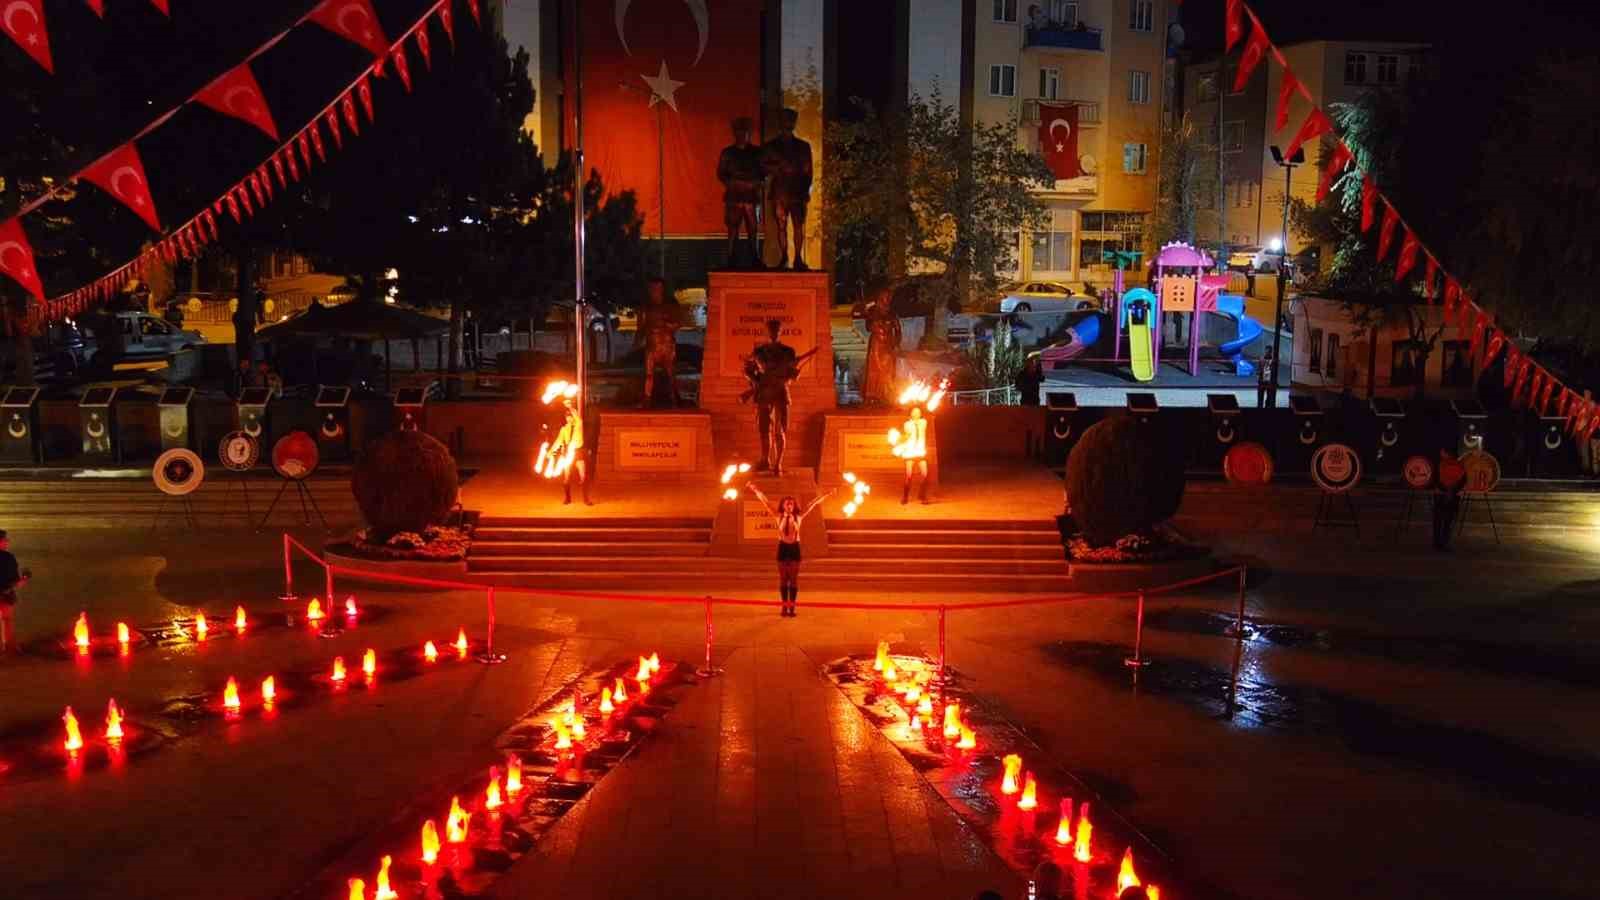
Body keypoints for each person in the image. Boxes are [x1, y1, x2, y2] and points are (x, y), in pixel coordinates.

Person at [745, 483, 835, 617]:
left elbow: (813, 503)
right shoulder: (778, 516)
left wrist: (826, 494)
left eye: (791, 504)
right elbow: (765, 501)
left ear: (794, 506)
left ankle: (791, 607)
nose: (789, 506)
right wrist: (755, 489)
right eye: (787, 504)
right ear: (783, 505)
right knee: (783, 579)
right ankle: (783, 607)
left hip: (794, 548)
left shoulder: (799, 516)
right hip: (783, 547)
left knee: (793, 579)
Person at [761, 108, 813, 270]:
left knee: (798, 225)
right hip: (780, 191)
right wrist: (776, 168)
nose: (788, 123)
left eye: (791, 120)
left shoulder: (803, 146)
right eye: (785, 120)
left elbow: (808, 172)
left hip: (797, 191)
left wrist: (805, 190)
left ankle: (797, 257)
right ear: (781, 123)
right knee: (781, 226)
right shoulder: (771, 146)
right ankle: (784, 256)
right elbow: (763, 166)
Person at [748, 319, 800, 474]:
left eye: (777, 330)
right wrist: (753, 380)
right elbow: (751, 372)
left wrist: (794, 373)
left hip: (781, 392)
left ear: (780, 331)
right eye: (771, 330)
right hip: (764, 393)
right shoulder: (759, 352)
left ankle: (778, 464)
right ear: (767, 332)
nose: (774, 333)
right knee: (764, 430)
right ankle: (765, 460)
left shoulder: (788, 352)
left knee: (780, 430)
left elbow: (791, 375)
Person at [717, 116, 765, 267]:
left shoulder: (757, 152)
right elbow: (721, 173)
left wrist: (756, 183)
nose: (742, 135)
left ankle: (754, 257)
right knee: (732, 228)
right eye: (738, 132)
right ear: (735, 133)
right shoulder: (728, 153)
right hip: (734, 195)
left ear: (749, 133)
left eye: (744, 131)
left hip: (751, 195)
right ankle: (731, 257)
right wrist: (732, 183)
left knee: (753, 229)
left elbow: (764, 173)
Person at [637, 278, 682, 408]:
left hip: (667, 344)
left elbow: (678, 323)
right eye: (652, 288)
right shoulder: (645, 306)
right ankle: (647, 399)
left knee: (670, 373)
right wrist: (637, 341)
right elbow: (641, 328)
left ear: (662, 289)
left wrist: (667, 324)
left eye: (657, 288)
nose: (654, 291)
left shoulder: (671, 304)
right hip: (652, 344)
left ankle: (675, 398)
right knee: (648, 374)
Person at [855, 287, 901, 407]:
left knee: (888, 370)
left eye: (889, 297)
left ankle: (887, 395)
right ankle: (872, 396)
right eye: (885, 297)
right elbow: (868, 327)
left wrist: (896, 343)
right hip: (877, 344)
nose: (888, 300)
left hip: (888, 344)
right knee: (874, 370)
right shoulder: (873, 312)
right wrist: (873, 323)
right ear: (880, 298)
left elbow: (898, 330)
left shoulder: (892, 314)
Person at [552, 395, 592, 506]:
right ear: (565, 418)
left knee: (583, 476)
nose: (569, 418)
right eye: (567, 416)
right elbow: (558, 441)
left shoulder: (579, 425)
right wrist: (551, 451)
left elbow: (577, 417)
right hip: (567, 454)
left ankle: (586, 499)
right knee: (566, 477)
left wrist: (570, 407)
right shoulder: (564, 429)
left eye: (570, 416)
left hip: (578, 452)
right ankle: (567, 498)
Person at [0, 530, 29, 655]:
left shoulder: (9, 558)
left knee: (7, 620)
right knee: (7, 620)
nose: (7, 542)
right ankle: (9, 647)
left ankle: (7, 647)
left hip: (6, 593)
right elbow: (15, 582)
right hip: (6, 594)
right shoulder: (9, 558)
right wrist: (24, 579)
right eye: (5, 540)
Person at [897, 406, 934, 505]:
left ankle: (922, 495)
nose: (917, 413)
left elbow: (930, 414)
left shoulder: (923, 422)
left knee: (925, 474)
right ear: (911, 414)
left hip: (920, 452)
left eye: (919, 412)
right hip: (910, 452)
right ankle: (905, 497)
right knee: (908, 476)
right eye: (915, 411)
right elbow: (906, 435)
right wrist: (904, 438)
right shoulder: (907, 424)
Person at [1433, 449, 1464, 551]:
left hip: (1440, 495)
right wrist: (1452, 491)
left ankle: (1437, 543)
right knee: (1448, 521)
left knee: (1438, 520)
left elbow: (1435, 479)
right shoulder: (1460, 465)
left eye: (1442, 452)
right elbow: (1463, 480)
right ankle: (1445, 542)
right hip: (1454, 496)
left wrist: (1445, 490)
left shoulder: (1439, 465)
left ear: (1446, 453)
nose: (1440, 454)